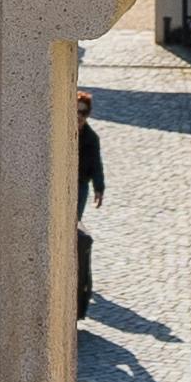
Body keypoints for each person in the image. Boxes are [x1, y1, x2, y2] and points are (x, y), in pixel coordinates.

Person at [75, 89, 107, 310]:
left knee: (75, 223)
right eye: (76, 111)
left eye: (83, 113)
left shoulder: (90, 138)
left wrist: (99, 188)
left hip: (80, 185)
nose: (79, 116)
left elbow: (96, 164)